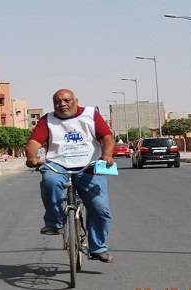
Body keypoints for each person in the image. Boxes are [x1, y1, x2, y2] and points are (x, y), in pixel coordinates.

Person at [25, 89, 116, 263]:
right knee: (49, 180)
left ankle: (97, 248)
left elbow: (107, 137)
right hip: (58, 165)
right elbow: (34, 142)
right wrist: (32, 157)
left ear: (76, 100)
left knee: (100, 209)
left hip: (88, 167)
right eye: (58, 102)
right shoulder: (47, 119)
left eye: (66, 100)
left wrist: (107, 154)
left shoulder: (91, 115)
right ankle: (54, 221)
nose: (62, 104)